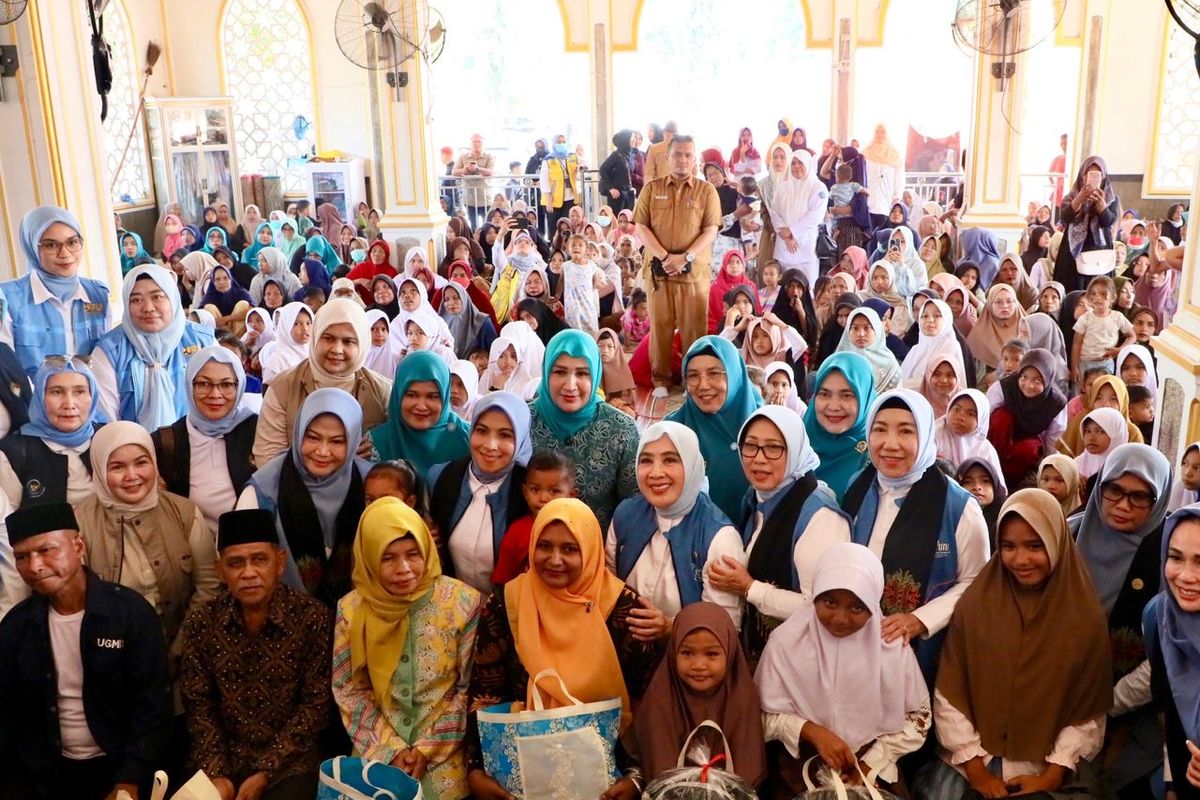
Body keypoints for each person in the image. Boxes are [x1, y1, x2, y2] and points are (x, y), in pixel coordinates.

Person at [915, 488, 1112, 799]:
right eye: (1008, 546)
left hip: (1042, 766)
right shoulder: (976, 605)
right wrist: (976, 769)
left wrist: (1052, 775)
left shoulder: (1083, 618)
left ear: (1056, 542)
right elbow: (950, 689)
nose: (1020, 559)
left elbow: (1087, 710)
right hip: (968, 760)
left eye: (1035, 546)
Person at [465, 498, 662, 800]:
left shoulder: (623, 609)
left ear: (591, 550)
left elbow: (647, 702)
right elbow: (486, 692)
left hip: (609, 772)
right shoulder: (509, 602)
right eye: (544, 546)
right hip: (518, 769)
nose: (554, 560)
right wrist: (476, 768)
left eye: (570, 549)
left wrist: (637, 779)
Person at [0, 502, 172, 800]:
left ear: (78, 546)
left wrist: (130, 780)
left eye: (46, 550)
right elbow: (9, 717)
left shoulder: (130, 615)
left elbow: (153, 708)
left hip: (120, 769)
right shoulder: (16, 627)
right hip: (46, 775)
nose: (35, 566)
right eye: (22, 557)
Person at [333, 497, 481, 799]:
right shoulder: (351, 610)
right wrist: (391, 750)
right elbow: (349, 688)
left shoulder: (463, 602)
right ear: (369, 556)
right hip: (376, 749)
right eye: (387, 558)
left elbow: (468, 690)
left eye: (413, 554)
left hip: (445, 755)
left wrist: (427, 749)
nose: (404, 569)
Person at [180, 509, 333, 800]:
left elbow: (316, 706)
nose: (248, 573)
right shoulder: (202, 622)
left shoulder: (312, 618)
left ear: (279, 562)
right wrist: (217, 773)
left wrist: (266, 771)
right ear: (220, 570)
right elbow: (199, 704)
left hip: (292, 764)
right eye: (236, 563)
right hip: (221, 758)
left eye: (259, 559)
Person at [840, 389, 990, 683]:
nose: (890, 444)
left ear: (925, 436)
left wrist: (920, 620)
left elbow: (976, 580)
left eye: (906, 431)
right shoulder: (859, 485)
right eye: (880, 429)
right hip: (851, 639)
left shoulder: (958, 506)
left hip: (920, 653)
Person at [756, 542, 930, 792]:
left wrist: (871, 763)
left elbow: (918, 718)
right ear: (815, 594)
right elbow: (759, 717)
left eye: (857, 607)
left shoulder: (890, 647)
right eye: (829, 602)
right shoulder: (786, 642)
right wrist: (811, 732)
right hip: (800, 765)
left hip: (873, 766)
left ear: (873, 605)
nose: (840, 618)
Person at [706, 405, 851, 657]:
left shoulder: (819, 516)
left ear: (794, 450)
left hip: (805, 658)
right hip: (767, 653)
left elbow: (825, 607)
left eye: (773, 447)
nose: (759, 458)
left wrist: (750, 588)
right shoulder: (755, 497)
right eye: (750, 445)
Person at [1073, 443, 1172, 796]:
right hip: (1051, 691)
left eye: (1139, 496)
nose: (1122, 505)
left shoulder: (1171, 557)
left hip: (1130, 708)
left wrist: (1107, 704)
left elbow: (1167, 654)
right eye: (1113, 490)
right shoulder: (1067, 535)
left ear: (1158, 501)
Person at [75, 420, 219, 652]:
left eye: (141, 463)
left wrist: (180, 649)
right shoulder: (79, 522)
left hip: (182, 647)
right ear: (100, 471)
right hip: (109, 652)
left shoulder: (184, 513)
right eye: (117, 467)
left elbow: (209, 587)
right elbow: (74, 602)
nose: (132, 476)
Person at [607, 421, 746, 632]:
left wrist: (670, 627)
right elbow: (608, 587)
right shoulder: (625, 515)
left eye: (670, 460)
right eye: (646, 460)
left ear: (691, 465)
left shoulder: (720, 536)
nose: (655, 473)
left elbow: (725, 627)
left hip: (690, 660)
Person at [240, 388, 371, 608]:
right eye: (312, 437)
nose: (322, 451)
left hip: (358, 624)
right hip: (283, 624)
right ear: (299, 432)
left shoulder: (371, 484)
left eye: (337, 441)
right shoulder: (264, 490)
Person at [634, 602, 766, 786]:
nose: (699, 665)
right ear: (673, 652)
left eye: (711, 654)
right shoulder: (660, 698)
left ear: (730, 652)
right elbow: (658, 769)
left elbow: (749, 767)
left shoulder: (742, 697)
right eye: (687, 653)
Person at [253, 299, 390, 467]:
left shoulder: (382, 391)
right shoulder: (283, 387)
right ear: (316, 337)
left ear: (362, 344)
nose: (337, 350)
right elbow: (267, 458)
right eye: (328, 338)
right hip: (294, 489)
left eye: (348, 341)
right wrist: (329, 457)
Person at [634, 135, 722, 395]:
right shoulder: (652, 188)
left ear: (694, 160)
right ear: (667, 157)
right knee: (660, 326)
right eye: (677, 154)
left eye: (687, 155)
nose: (682, 159)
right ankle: (660, 379)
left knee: (693, 327)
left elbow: (710, 231)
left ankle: (691, 379)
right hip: (659, 272)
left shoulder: (706, 191)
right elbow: (641, 226)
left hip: (693, 272)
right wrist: (663, 256)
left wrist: (686, 257)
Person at [530, 330, 638, 530]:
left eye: (582, 373)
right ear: (545, 372)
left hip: (602, 554)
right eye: (559, 372)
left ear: (596, 374)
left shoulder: (621, 429)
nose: (570, 386)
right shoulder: (524, 422)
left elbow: (634, 507)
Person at [427, 392, 531, 594]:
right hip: (452, 612)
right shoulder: (441, 478)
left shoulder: (530, 491)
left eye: (505, 435)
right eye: (482, 431)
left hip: (508, 615)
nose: (490, 445)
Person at [92, 264, 216, 429]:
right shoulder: (109, 351)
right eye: (136, 300)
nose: (148, 308)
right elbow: (108, 421)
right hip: (133, 449)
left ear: (172, 297)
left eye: (157, 297)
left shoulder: (203, 341)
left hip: (199, 444)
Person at [151, 345, 258, 535]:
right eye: (203, 384)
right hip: (190, 556)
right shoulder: (166, 442)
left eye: (226, 384)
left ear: (240, 385)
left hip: (249, 553)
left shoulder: (257, 431)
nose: (215, 394)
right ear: (189, 385)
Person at [2, 206, 112, 377]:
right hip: (31, 402)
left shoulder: (98, 295)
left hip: (91, 400)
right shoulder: (7, 299)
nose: (65, 253)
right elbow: (5, 371)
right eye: (51, 245)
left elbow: (106, 361)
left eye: (72, 242)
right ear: (32, 247)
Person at [666, 335, 762, 522]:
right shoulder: (673, 430)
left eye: (714, 373)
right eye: (693, 376)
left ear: (734, 374)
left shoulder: (767, 426)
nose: (703, 386)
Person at [1143, 504, 1200, 800]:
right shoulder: (1159, 618)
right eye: (1176, 557)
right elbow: (1170, 712)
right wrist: (1171, 782)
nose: (1186, 576)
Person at [0, 357, 102, 510]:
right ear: (40, 398)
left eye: (79, 391)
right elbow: (8, 522)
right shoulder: (13, 453)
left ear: (92, 396)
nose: (69, 404)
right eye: (56, 392)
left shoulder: (107, 439)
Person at [371, 351, 470, 479]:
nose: (421, 406)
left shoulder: (466, 437)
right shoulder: (376, 443)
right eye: (411, 395)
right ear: (398, 395)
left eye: (432, 396)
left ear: (445, 398)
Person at [803, 352, 876, 502]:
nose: (834, 406)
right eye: (824, 394)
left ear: (865, 398)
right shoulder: (797, 445)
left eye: (846, 395)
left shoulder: (876, 456)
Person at [1056, 156, 1120, 291]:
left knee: (1099, 288)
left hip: (1099, 250)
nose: (1092, 178)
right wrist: (1080, 198)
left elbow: (1108, 222)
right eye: (1088, 174)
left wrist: (1101, 204)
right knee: (1074, 288)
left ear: (1104, 177)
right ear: (1082, 176)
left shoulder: (1111, 199)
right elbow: (1065, 217)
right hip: (1074, 251)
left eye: (1098, 174)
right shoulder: (1071, 196)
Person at [771, 149, 829, 287]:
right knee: (784, 290)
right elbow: (774, 212)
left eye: (800, 163)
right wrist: (784, 235)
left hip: (806, 248)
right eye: (793, 163)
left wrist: (791, 232)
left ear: (808, 164)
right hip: (783, 247)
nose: (796, 166)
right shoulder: (782, 188)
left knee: (807, 289)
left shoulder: (818, 187)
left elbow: (815, 216)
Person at [539, 134, 583, 232]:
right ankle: (555, 246)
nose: (562, 144)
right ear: (554, 144)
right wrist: (548, 200)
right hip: (553, 199)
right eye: (559, 142)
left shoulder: (572, 156)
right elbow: (544, 180)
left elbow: (586, 163)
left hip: (570, 197)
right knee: (554, 226)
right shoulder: (548, 160)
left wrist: (581, 166)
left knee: (568, 226)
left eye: (564, 142)